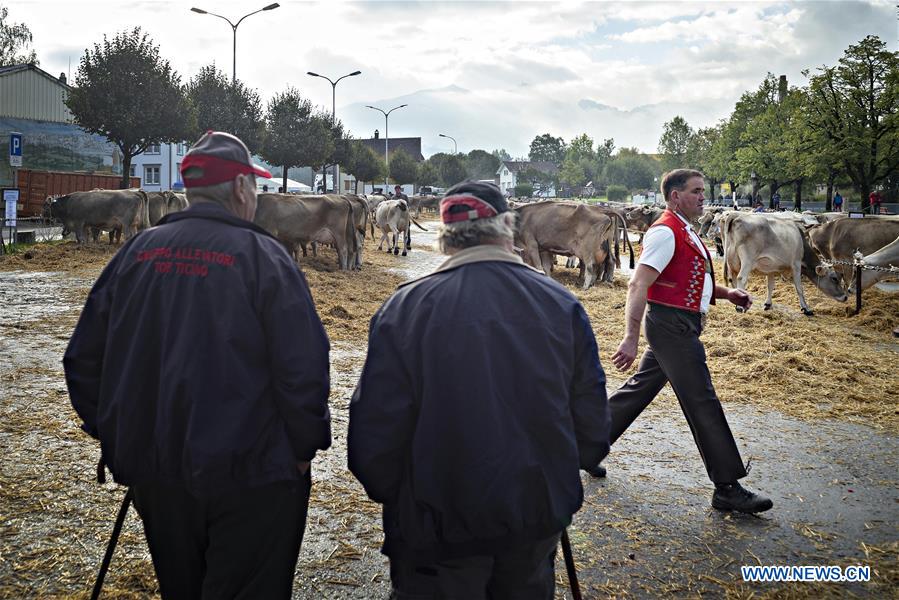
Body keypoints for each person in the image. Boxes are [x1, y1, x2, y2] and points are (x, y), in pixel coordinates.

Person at [64, 131, 332, 598]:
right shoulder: (264, 258)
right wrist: (304, 446)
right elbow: (303, 369)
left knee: (182, 587)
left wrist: (117, 432)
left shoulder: (134, 254)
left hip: (159, 473)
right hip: (253, 473)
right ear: (242, 190)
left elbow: (84, 360)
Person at [349, 181, 610, 598]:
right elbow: (592, 423)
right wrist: (556, 482)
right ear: (508, 228)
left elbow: (374, 430)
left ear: (445, 238)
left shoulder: (405, 308)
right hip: (532, 518)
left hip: (437, 525)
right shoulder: (560, 305)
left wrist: (400, 499)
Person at [586, 169, 772, 514]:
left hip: (678, 325)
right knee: (702, 399)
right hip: (671, 327)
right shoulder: (665, 232)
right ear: (675, 196)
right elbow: (639, 284)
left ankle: (583, 448)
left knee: (638, 390)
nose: (703, 196)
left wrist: (728, 293)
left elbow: (688, 279)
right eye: (696, 191)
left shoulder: (685, 230)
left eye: (703, 190)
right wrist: (630, 337)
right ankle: (727, 486)